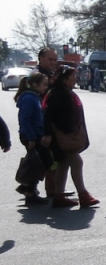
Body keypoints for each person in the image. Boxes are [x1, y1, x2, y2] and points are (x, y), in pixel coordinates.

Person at [43, 65, 98, 209]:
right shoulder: (57, 94)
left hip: (66, 135)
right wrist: (48, 134)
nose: (76, 78)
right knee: (77, 162)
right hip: (61, 137)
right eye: (73, 76)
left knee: (63, 165)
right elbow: (48, 116)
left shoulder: (65, 92)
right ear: (64, 79)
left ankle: (59, 196)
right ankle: (83, 195)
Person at [15, 73, 51, 205]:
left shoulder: (34, 97)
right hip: (32, 136)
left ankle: (28, 189)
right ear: (35, 84)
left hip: (36, 134)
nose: (46, 87)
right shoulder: (29, 98)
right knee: (38, 163)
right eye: (44, 85)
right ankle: (28, 191)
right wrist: (31, 138)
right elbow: (25, 120)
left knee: (40, 162)